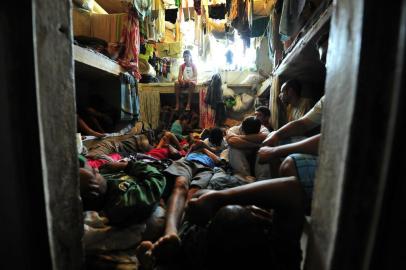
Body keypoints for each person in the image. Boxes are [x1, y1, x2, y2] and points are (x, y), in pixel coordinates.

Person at [135, 139, 224, 267]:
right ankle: (170, 233)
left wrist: (205, 149)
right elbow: (185, 154)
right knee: (180, 185)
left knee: (193, 195)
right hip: (186, 163)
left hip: (205, 168)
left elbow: (218, 161)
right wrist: (192, 148)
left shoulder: (213, 151)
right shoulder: (191, 151)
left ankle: (170, 242)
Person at [185, 176, 305, 270]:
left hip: (220, 189)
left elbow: (196, 200)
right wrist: (220, 200)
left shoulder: (195, 256)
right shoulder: (280, 259)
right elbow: (291, 188)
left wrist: (219, 201)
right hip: (231, 191)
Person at [79, 160, 166, 225]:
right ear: (94, 190)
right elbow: (158, 178)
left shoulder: (103, 186)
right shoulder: (123, 202)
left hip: (144, 168)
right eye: (94, 173)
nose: (96, 169)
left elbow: (103, 169)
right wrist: (126, 166)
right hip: (160, 174)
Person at [226, 116, 270, 181]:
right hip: (243, 156)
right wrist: (255, 144)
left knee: (265, 149)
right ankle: (245, 177)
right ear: (243, 128)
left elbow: (265, 137)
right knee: (233, 148)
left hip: (255, 155)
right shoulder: (234, 129)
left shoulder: (262, 128)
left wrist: (239, 137)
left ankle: (263, 179)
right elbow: (232, 141)